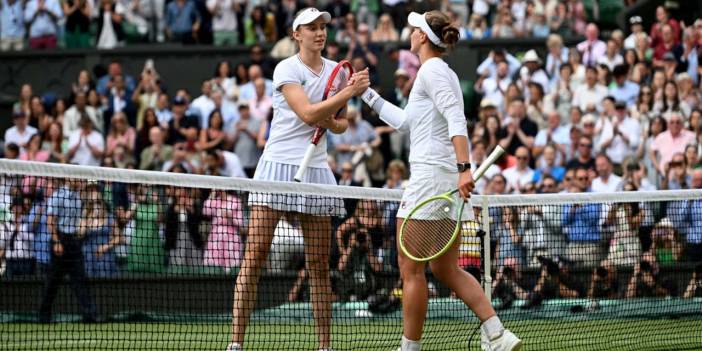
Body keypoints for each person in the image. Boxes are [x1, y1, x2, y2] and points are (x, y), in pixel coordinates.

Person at [358, 10, 521, 351]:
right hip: (441, 179)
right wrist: (368, 95)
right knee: (445, 269)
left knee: (410, 268)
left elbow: (456, 120)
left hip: (433, 179)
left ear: (422, 37)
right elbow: (406, 123)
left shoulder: (432, 70)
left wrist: (465, 166)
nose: (410, 30)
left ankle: (409, 349)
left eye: (414, 27)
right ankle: (496, 333)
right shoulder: (431, 73)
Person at [227, 8, 370, 351]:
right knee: (255, 254)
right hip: (277, 165)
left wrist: (335, 113)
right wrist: (345, 95)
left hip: (317, 170)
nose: (319, 33)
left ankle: (324, 346)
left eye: (322, 27)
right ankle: (235, 344)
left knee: (319, 263)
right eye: (312, 28)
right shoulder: (286, 68)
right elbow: (306, 113)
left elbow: (340, 124)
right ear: (296, 34)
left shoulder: (336, 71)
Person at [38, 178, 97, 323]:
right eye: (77, 178)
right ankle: (44, 315)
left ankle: (89, 315)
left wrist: (89, 205)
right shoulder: (57, 196)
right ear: (69, 178)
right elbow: (50, 221)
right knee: (53, 281)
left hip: (74, 242)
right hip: (60, 239)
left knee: (80, 279)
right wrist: (57, 241)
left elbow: (81, 219)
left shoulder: (78, 197)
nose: (79, 181)